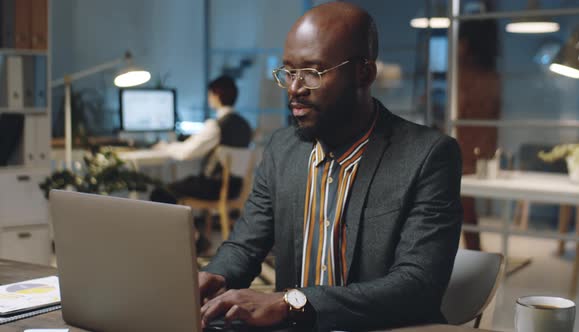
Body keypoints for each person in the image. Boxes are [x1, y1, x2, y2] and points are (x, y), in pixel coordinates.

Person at [198, 3, 463, 331]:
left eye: (312, 72)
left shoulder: (428, 156)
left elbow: (417, 286)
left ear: (364, 73)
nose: (294, 88)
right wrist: (213, 277)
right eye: (289, 72)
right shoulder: (283, 148)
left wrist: (289, 303)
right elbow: (245, 244)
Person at [150, 75, 253, 204]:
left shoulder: (217, 126)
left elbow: (186, 152)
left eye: (210, 94)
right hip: (236, 188)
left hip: (214, 187)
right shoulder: (245, 125)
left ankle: (173, 224)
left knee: (160, 193)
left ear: (216, 95)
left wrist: (165, 147)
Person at [456, 15, 501, 251]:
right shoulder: (491, 76)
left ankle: (474, 256)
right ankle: (474, 253)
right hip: (480, 148)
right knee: (466, 210)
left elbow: (462, 110)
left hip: (464, 149)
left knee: (465, 209)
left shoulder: (466, 75)